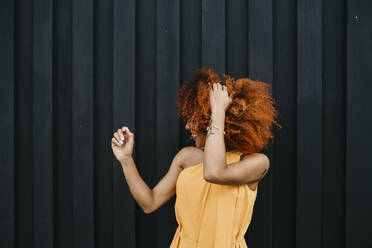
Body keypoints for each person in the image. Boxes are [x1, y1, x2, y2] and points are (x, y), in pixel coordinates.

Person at [111, 68, 281, 247]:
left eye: (194, 120)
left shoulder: (256, 162)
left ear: (210, 121)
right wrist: (126, 159)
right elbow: (149, 203)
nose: (187, 126)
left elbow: (214, 172)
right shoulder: (186, 157)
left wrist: (217, 112)